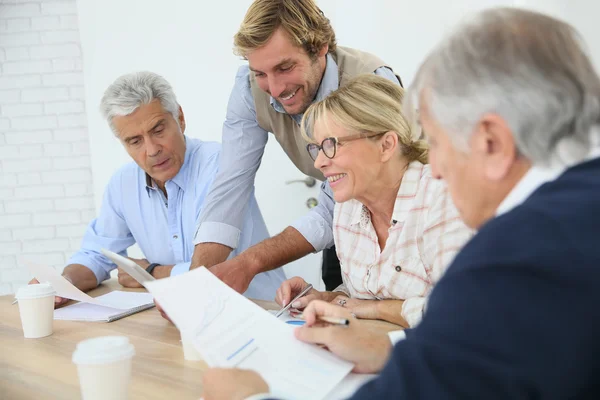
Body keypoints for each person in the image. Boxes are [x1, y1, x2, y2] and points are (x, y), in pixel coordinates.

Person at [201, 7, 600, 399]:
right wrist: (386, 348)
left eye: (439, 143)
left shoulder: (511, 260)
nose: (435, 168)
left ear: (491, 142)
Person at [192, 0, 402, 292]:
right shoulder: (248, 89)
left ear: (320, 47)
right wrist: (196, 283)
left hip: (402, 224)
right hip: (346, 219)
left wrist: (250, 262)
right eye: (260, 74)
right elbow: (230, 186)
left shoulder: (369, 82)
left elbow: (330, 210)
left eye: (285, 67)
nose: (275, 90)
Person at [30, 71, 285, 306]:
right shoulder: (123, 184)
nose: (152, 150)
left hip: (257, 310)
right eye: (135, 141)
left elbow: (211, 273)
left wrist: (150, 273)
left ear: (181, 119)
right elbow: (96, 254)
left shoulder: (221, 165)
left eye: (158, 130)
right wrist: (63, 284)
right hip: (183, 315)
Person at [274, 75, 472, 327]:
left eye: (331, 145)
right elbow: (361, 294)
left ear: (386, 145)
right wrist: (328, 297)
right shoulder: (347, 207)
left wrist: (374, 308)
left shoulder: (442, 198)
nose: (319, 162)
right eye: (316, 148)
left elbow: (460, 312)